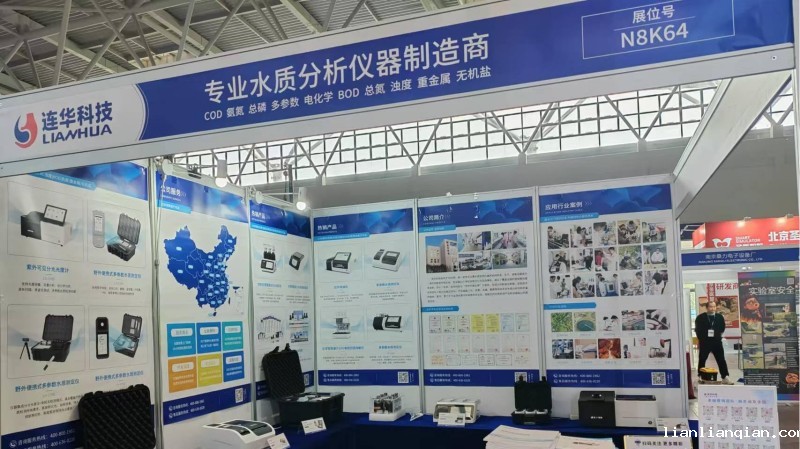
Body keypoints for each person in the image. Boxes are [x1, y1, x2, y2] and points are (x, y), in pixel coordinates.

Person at [695, 301, 733, 384]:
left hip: (716, 342)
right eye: (711, 307)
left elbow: (722, 328)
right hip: (705, 342)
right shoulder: (700, 317)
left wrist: (717, 335)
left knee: (721, 359)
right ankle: (700, 375)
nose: (713, 308)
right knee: (702, 359)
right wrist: (702, 339)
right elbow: (697, 330)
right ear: (707, 307)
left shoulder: (719, 317)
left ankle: (725, 377)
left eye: (714, 306)